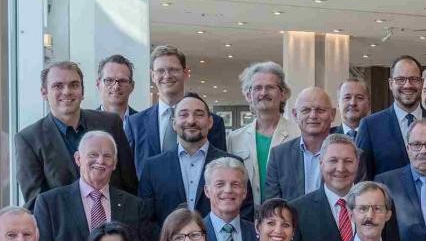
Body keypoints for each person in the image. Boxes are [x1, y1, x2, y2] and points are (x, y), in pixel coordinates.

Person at [34, 130, 152, 241]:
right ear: (78, 159)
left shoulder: (134, 205)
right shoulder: (50, 203)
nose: (100, 161)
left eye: (107, 156)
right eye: (93, 154)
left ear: (115, 163)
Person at [16, 61, 136, 205]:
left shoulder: (110, 124)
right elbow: (35, 204)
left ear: (82, 91)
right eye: (58, 86)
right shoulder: (29, 139)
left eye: (74, 85)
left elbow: (130, 185)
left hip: (114, 224)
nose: (67, 91)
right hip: (63, 226)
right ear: (44, 92)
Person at [137, 92, 246, 224]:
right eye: (183, 114)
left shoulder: (233, 164)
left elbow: (245, 212)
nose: (191, 121)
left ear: (210, 122)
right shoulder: (153, 167)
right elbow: (145, 219)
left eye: (199, 114)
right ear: (174, 123)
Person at [357, 56, 426, 177]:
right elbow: (363, 178)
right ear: (390, 84)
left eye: (413, 79)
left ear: (421, 82)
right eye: (400, 79)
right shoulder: (370, 126)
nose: (407, 85)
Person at [125, 45, 228, 160]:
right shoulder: (135, 124)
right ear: (153, 76)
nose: (167, 75)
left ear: (185, 73)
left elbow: (220, 166)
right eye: (160, 71)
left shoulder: (212, 123)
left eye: (173, 69)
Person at [227, 61, 299, 203]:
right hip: (247, 217)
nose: (263, 93)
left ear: (283, 94)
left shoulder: (298, 134)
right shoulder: (234, 139)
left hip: (286, 217)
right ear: (249, 95)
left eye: (270, 87)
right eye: (257, 88)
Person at [264, 87, 336, 202]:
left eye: (320, 110)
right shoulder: (278, 156)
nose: (313, 115)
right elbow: (273, 208)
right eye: (306, 110)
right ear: (295, 114)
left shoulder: (350, 154)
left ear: (332, 114)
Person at [95, 54, 137, 120]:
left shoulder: (144, 123)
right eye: (109, 80)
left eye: (122, 81)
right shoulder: (86, 124)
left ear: (132, 86)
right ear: (98, 84)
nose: (116, 87)